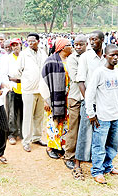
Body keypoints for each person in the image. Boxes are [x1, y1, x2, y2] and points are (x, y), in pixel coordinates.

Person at [85, 44, 118, 184]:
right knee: (99, 145)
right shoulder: (99, 72)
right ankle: (97, 171)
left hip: (115, 116)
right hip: (102, 117)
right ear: (105, 56)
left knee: (112, 145)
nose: (115, 58)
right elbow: (89, 94)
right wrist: (91, 113)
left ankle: (108, 167)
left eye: (117, 55)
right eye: (112, 55)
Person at [75, 30, 107, 180]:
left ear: (102, 40)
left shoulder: (107, 56)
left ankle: (99, 162)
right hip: (89, 102)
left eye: (95, 39)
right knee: (84, 132)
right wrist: (88, 102)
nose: (92, 42)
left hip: (104, 102)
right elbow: (81, 81)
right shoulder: (85, 57)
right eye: (90, 39)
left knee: (101, 133)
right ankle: (77, 164)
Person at [13, 33, 48, 152]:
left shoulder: (43, 52)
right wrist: (26, 79)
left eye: (33, 41)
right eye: (28, 41)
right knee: (28, 116)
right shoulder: (23, 54)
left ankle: (37, 137)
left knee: (39, 115)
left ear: (38, 41)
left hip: (41, 89)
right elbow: (17, 72)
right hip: (28, 89)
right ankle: (26, 141)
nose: (30, 43)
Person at [40, 38, 72, 159]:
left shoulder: (70, 61)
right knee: (53, 123)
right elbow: (43, 81)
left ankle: (59, 146)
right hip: (54, 99)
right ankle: (50, 147)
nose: (72, 47)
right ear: (63, 47)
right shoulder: (50, 61)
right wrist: (46, 99)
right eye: (69, 45)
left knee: (64, 123)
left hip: (67, 99)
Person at [64, 35, 87, 171]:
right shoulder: (72, 58)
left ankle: (84, 154)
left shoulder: (90, 56)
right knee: (74, 128)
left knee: (86, 128)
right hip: (76, 98)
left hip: (90, 97)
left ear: (86, 44)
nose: (78, 47)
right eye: (76, 44)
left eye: (81, 44)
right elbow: (77, 77)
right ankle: (69, 156)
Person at [4, 38, 23, 145]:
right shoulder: (8, 58)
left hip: (24, 88)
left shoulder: (24, 56)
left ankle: (22, 133)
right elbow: (5, 74)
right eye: (13, 45)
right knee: (12, 113)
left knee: (23, 112)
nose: (15, 47)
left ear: (20, 45)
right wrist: (11, 80)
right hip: (13, 87)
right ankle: (12, 134)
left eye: (17, 44)